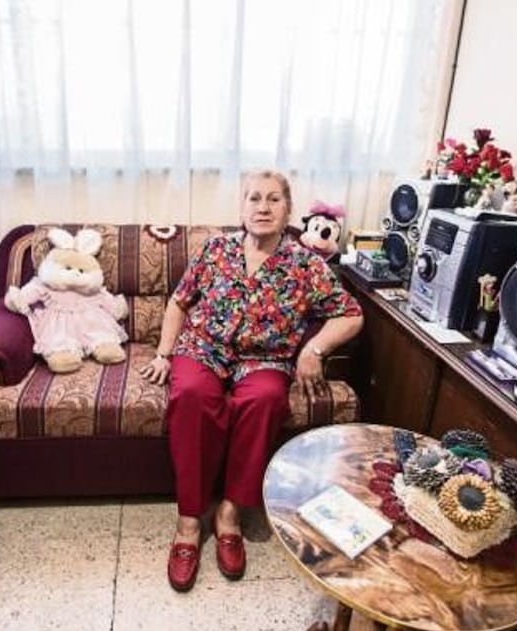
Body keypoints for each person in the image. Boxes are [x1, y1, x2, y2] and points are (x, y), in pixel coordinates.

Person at [139, 170, 364, 592]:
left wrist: (313, 351)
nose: (263, 207)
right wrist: (165, 354)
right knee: (189, 393)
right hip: (204, 348)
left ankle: (229, 514)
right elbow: (178, 302)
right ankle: (189, 522)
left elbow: (350, 313)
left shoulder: (305, 264)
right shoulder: (215, 249)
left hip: (265, 359)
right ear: (242, 208)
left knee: (264, 401)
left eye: (273, 199)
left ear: (288, 210)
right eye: (254, 199)